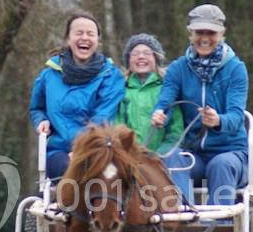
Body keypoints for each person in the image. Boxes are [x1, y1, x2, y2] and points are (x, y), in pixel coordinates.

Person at [151, 3, 248, 207]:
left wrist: (218, 120)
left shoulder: (236, 69)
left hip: (229, 151)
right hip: (193, 152)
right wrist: (160, 114)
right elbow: (166, 102)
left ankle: (217, 228)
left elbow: (237, 116)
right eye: (199, 32)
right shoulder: (178, 68)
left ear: (221, 34)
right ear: (191, 34)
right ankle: (184, 219)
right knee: (173, 157)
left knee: (221, 165)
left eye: (210, 33)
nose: (204, 39)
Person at [29, 11, 125, 179]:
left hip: (98, 149)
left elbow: (102, 117)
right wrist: (41, 120)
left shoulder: (111, 76)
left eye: (90, 34)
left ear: (97, 41)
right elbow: (37, 107)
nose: (85, 38)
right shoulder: (48, 75)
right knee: (68, 173)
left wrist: (81, 150)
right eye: (79, 33)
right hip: (58, 150)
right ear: (68, 39)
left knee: (112, 178)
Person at [115, 33, 183, 154]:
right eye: (135, 53)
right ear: (128, 60)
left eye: (147, 53)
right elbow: (117, 128)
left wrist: (160, 154)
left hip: (162, 160)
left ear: (156, 58)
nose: (141, 57)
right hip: (130, 159)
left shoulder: (168, 90)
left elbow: (176, 132)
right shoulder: (121, 91)